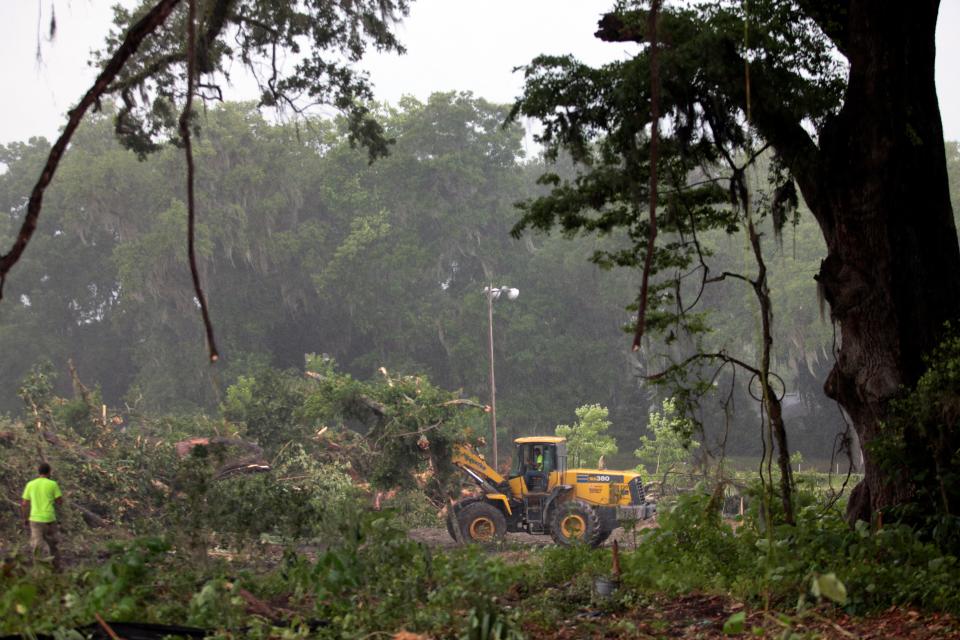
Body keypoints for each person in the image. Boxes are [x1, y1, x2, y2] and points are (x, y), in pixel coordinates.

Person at [21, 462, 63, 571]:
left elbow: (24, 504)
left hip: (35, 520)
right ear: (49, 472)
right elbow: (59, 502)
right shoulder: (53, 484)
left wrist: (25, 518)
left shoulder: (30, 484)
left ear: (38, 472)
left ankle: (39, 571)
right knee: (53, 545)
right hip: (49, 519)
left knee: (37, 547)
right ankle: (56, 569)